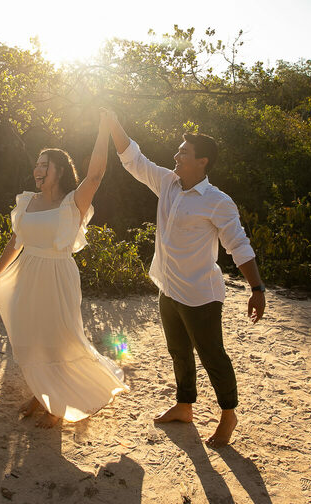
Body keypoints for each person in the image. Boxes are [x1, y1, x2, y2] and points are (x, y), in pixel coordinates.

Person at [103, 110, 266, 447]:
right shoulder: (168, 182)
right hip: (169, 287)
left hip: (201, 295)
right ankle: (184, 406)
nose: (176, 156)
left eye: (183, 153)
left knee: (212, 355)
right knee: (178, 350)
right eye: (178, 151)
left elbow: (238, 244)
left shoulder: (218, 202)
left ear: (202, 162)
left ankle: (228, 414)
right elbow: (134, 158)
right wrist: (113, 123)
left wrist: (257, 288)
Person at [0, 110, 128, 428]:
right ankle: (41, 395)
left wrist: (104, 128)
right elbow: (16, 241)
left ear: (59, 170)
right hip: (27, 275)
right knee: (33, 339)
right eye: (36, 164)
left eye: (44, 164)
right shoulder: (27, 202)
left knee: (60, 339)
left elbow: (95, 175)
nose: (37, 169)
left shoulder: (72, 203)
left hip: (57, 276)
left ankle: (58, 404)